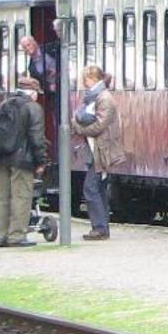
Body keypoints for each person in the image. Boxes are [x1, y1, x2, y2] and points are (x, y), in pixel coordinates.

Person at [0, 78, 49, 248]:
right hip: (22, 161)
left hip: (1, 159)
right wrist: (41, 161)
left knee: (3, 198)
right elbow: (37, 138)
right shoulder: (33, 108)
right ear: (33, 93)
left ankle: (0, 235)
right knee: (21, 197)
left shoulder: (3, 105)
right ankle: (16, 236)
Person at [70, 65, 123, 240]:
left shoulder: (104, 99)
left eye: (85, 79)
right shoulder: (94, 98)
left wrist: (78, 128)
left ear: (93, 78)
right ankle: (101, 228)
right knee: (98, 189)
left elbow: (100, 125)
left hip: (102, 149)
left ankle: (100, 228)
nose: (84, 83)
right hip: (95, 149)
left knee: (91, 188)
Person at [20, 34, 58, 99]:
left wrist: (58, 70)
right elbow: (39, 84)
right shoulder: (31, 68)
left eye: (28, 45)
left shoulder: (50, 47)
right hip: (56, 92)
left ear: (34, 42)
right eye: (24, 47)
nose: (27, 48)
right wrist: (49, 87)